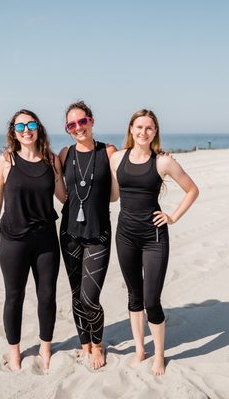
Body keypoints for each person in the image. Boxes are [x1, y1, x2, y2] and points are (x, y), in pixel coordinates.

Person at [110, 109, 199, 376]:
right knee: (133, 295)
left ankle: (159, 354)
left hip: (154, 237)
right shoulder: (117, 159)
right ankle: (140, 349)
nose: (143, 132)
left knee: (151, 301)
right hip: (124, 234)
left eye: (149, 128)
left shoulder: (163, 162)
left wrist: (172, 217)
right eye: (139, 127)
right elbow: (114, 197)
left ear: (155, 132)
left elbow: (192, 190)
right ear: (131, 128)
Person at [0, 109, 66, 371]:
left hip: (46, 240)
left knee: (47, 295)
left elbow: (64, 197)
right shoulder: (6, 161)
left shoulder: (51, 161)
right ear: (13, 132)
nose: (26, 129)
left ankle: (45, 346)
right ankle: (15, 351)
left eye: (31, 124)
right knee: (14, 296)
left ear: (39, 128)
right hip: (13, 240)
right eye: (20, 126)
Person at [59, 100, 117, 369]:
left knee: (89, 297)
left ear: (92, 121)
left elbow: (117, 192)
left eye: (82, 121)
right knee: (75, 294)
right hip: (69, 233)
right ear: (67, 129)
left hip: (99, 233)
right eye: (72, 124)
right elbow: (59, 192)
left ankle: (97, 344)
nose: (78, 127)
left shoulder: (108, 151)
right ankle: (84, 343)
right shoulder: (64, 154)